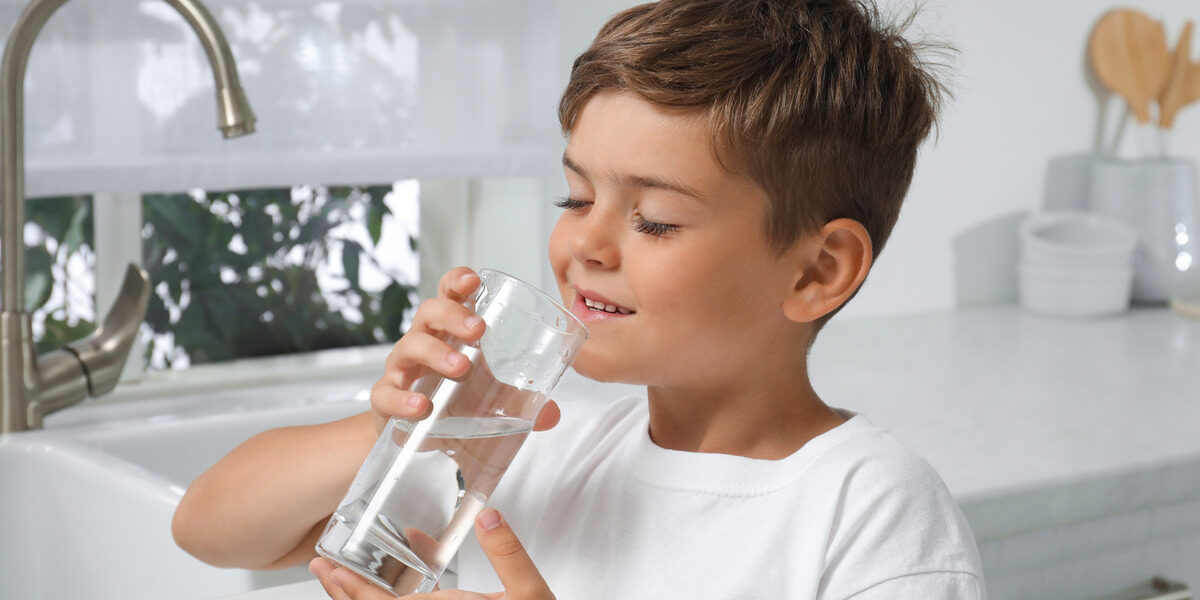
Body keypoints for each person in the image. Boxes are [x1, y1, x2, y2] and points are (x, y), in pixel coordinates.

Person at [172, 0, 986, 598]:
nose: (584, 245)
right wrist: (404, 429)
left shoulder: (869, 513)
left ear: (816, 272)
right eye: (574, 198)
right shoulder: (529, 451)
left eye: (656, 221)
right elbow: (209, 530)